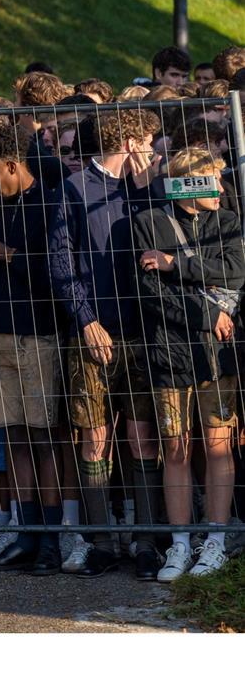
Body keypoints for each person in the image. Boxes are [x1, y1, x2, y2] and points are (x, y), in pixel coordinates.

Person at [48, 108, 163, 578]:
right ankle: (99, 540)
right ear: (130, 142)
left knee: (141, 436)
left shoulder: (146, 190)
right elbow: (61, 264)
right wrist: (86, 320)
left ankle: (146, 540)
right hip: (92, 334)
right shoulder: (73, 190)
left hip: (139, 332)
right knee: (94, 438)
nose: (155, 152)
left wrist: (144, 190)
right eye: (148, 142)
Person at [134, 148, 245, 582]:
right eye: (211, 180)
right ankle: (180, 543)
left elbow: (236, 273)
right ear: (186, 184)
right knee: (175, 449)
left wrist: (175, 263)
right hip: (169, 351)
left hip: (218, 357)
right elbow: (150, 291)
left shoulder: (230, 221)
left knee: (218, 445)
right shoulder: (148, 223)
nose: (220, 188)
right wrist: (205, 312)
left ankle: (214, 539)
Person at [0, 124, 65, 575]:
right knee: (15, 437)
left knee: (43, 439)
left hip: (40, 336)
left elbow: (58, 272)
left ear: (11, 164)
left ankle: (50, 538)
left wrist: (7, 255)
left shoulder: (48, 201)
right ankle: (25, 534)